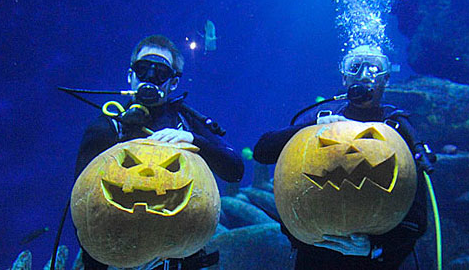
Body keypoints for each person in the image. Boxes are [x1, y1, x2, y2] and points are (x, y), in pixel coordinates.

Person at [253, 45, 435, 270]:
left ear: (386, 79)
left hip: (374, 262)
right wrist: (311, 127)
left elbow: (417, 219)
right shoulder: (320, 119)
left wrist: (375, 248)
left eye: (374, 68)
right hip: (315, 256)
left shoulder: (398, 129)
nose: (363, 75)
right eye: (355, 67)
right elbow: (262, 151)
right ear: (344, 77)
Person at [74, 34, 244, 270]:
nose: (151, 78)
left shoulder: (185, 122)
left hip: (179, 260)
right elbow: (82, 201)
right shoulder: (108, 126)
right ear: (130, 75)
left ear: (173, 83)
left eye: (161, 72)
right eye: (143, 69)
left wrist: (195, 140)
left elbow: (235, 170)